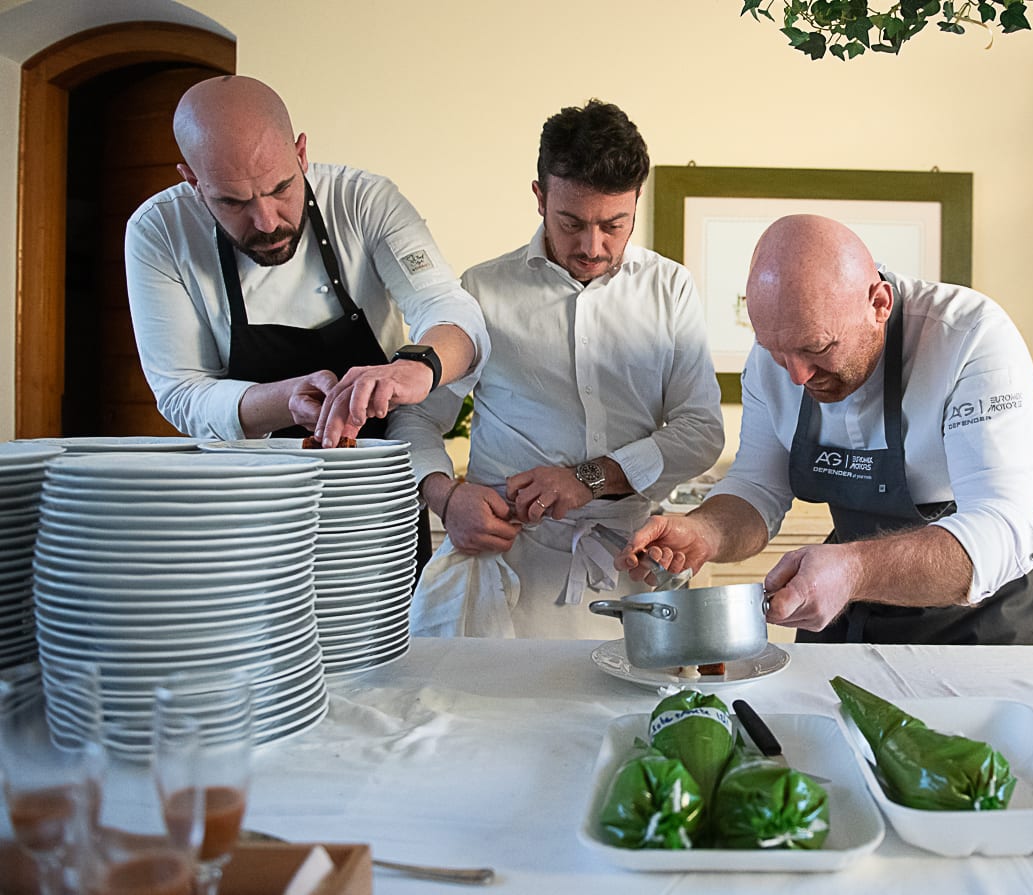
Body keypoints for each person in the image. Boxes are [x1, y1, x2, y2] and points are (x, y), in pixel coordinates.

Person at [619, 214, 1033, 645]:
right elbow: (758, 486)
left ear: (879, 304)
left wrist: (852, 570)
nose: (796, 376)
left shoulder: (969, 337)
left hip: (983, 617)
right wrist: (705, 533)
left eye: (817, 348)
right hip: (857, 597)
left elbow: (1002, 528)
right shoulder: (780, 357)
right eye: (774, 350)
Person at [388, 99, 724, 639]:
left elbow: (702, 432)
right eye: (572, 223)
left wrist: (589, 480)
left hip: (632, 572)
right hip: (502, 572)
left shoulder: (671, 289)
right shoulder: (482, 290)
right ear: (540, 197)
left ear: (636, 201)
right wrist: (446, 499)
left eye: (615, 225)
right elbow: (414, 419)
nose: (593, 246)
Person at [124, 75, 488, 447]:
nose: (266, 222)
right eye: (232, 202)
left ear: (301, 155)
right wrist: (287, 399)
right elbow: (181, 392)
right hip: (246, 485)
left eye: (281, 188)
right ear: (193, 182)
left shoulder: (362, 201)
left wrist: (417, 366)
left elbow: (448, 307)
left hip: (378, 477)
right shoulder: (161, 231)